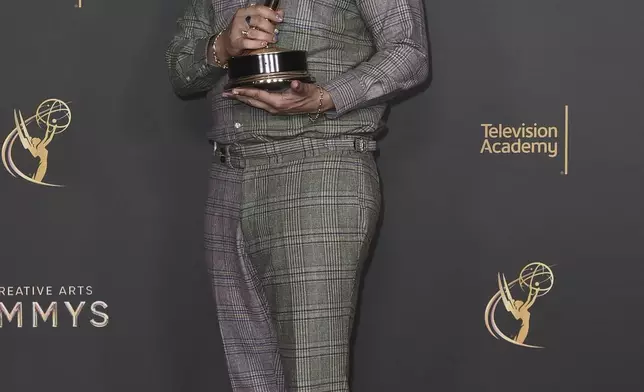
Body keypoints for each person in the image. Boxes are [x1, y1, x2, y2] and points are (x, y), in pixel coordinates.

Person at [165, 0, 429, 390]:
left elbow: (409, 50)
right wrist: (222, 46)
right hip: (229, 175)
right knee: (251, 380)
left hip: (318, 170)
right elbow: (181, 72)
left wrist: (324, 97)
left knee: (312, 380)